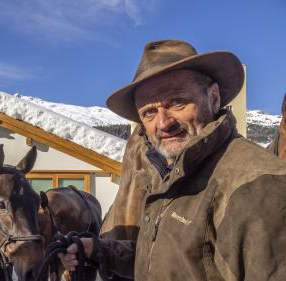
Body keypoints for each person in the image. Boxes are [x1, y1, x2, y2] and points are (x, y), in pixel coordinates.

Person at [58, 40, 286, 280]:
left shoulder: (260, 185)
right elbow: (168, 261)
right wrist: (99, 250)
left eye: (177, 102)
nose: (163, 123)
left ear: (214, 97)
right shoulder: (170, 175)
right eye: (149, 112)